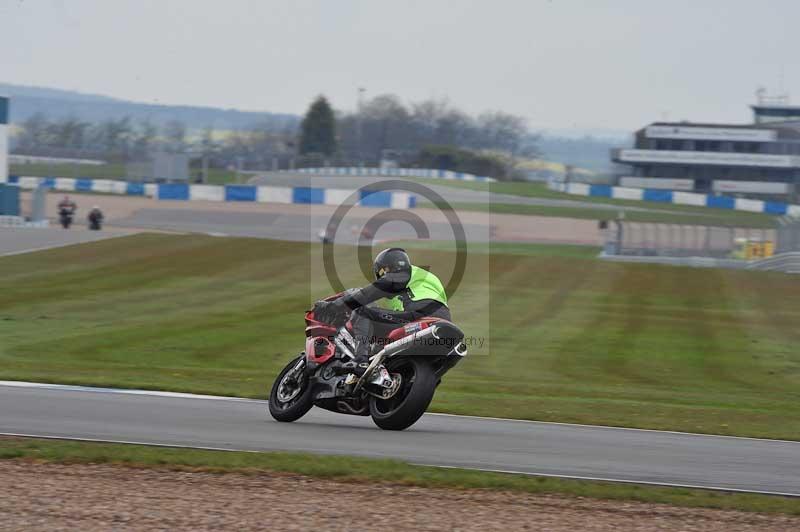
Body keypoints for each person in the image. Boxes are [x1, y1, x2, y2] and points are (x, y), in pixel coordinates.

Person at [315, 248, 450, 375]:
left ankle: (360, 360)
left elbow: (366, 294)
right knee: (382, 338)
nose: (384, 276)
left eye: (384, 272)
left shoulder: (403, 274)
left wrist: (334, 305)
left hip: (419, 317)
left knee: (363, 312)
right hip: (442, 321)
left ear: (387, 269)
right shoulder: (424, 278)